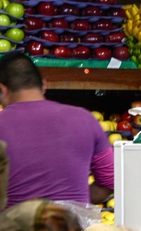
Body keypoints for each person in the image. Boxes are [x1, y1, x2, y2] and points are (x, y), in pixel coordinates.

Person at [0, 53, 113, 207]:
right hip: (72, 228)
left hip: (14, 229)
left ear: (2, 90)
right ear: (44, 85)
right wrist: (71, 204)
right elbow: (109, 181)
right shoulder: (85, 119)